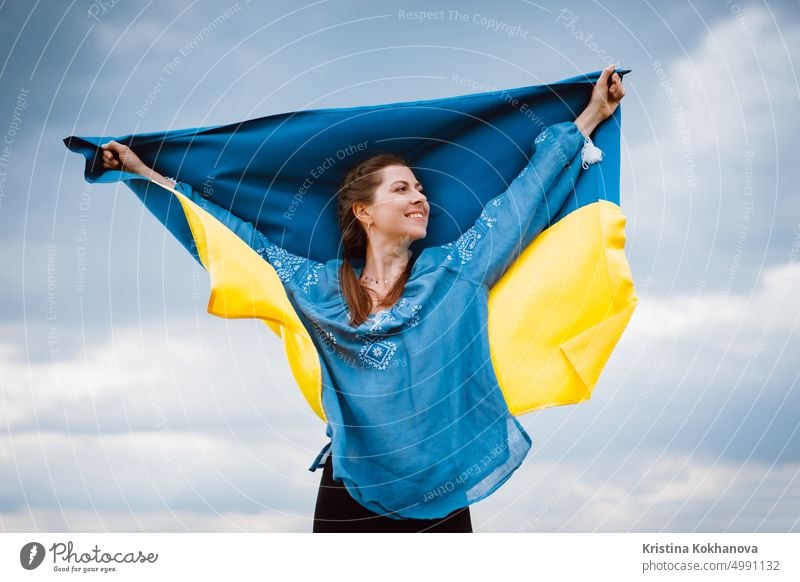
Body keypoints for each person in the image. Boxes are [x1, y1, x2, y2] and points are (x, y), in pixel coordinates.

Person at [99, 64, 626, 532]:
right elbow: (230, 238)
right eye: (401, 190)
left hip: (442, 489)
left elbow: (522, 200)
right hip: (348, 489)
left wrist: (589, 118)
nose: (419, 197)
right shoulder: (317, 288)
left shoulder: (456, 272)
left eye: (420, 189)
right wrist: (144, 173)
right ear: (364, 213)